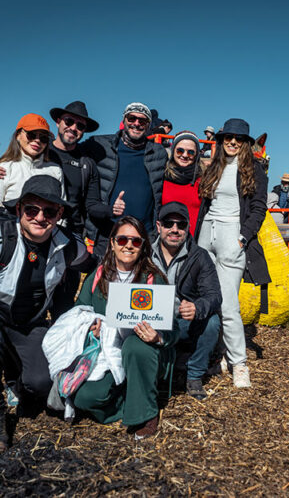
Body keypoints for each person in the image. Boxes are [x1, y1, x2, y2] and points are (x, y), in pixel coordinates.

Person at [66, 216, 179, 439]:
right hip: (107, 355)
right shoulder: (98, 276)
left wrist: (157, 337)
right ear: (112, 243)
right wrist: (90, 327)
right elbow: (79, 312)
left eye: (136, 241)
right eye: (122, 239)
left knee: (135, 345)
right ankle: (129, 400)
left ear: (143, 245)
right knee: (84, 398)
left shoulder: (153, 279)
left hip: (144, 356)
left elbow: (174, 330)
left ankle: (146, 413)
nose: (128, 245)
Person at [0, 175, 90, 447]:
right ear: (19, 210)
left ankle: (16, 380)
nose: (40, 217)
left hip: (30, 322)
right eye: (31, 209)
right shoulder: (4, 237)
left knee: (39, 383)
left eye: (49, 211)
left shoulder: (68, 245)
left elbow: (101, 267)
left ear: (59, 214)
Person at [195, 118, 271, 388]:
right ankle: (216, 354)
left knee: (228, 305)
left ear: (246, 144)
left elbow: (259, 208)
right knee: (205, 298)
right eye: (228, 137)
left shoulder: (254, 171)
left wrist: (242, 237)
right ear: (221, 139)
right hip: (207, 233)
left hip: (232, 234)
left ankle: (239, 363)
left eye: (239, 139)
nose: (233, 142)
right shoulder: (213, 167)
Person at [48, 101, 126, 318]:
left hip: (69, 238)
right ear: (58, 121)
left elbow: (91, 205)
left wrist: (112, 210)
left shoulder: (86, 163)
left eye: (79, 126)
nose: (73, 128)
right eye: (69, 121)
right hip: (37, 235)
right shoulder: (42, 151)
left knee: (63, 305)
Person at [151, 202, 221, 400]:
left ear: (188, 227)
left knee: (211, 321)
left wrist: (197, 307)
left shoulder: (200, 256)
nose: (175, 229)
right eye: (168, 223)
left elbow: (214, 295)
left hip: (181, 321)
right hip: (150, 319)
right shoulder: (144, 251)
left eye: (181, 225)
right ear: (158, 226)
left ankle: (194, 376)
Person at [80, 102, 167, 257]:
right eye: (132, 118)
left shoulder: (159, 153)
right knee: (102, 279)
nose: (136, 124)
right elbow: (68, 151)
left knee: (140, 280)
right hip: (107, 234)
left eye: (142, 121)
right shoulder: (100, 145)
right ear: (124, 120)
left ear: (148, 125)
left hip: (143, 235)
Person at [0, 114, 65, 205]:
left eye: (43, 138)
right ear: (18, 136)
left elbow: (61, 208)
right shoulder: (4, 168)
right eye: (31, 135)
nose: (37, 140)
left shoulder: (56, 170)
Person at [162, 131, 202, 236]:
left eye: (191, 152)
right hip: (167, 241)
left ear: (197, 154)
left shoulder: (203, 180)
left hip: (194, 243)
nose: (185, 155)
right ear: (173, 150)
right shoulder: (162, 177)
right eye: (180, 151)